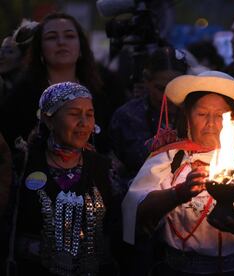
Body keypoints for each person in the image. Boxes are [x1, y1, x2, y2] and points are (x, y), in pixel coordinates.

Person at [122, 70, 234, 275]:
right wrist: (178, 193)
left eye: (220, 116)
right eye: (202, 114)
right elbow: (138, 212)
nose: (211, 123)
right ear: (188, 116)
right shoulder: (169, 160)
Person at [8, 82, 119, 275]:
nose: (84, 123)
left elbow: (115, 229)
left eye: (89, 115)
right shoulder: (22, 165)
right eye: (75, 114)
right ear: (48, 120)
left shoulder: (103, 168)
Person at [0, 12, 112, 154]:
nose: (61, 42)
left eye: (69, 36)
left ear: (81, 46)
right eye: (52, 37)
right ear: (40, 49)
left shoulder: (105, 89)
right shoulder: (20, 96)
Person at [109, 46, 188, 180]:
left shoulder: (196, 115)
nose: (167, 97)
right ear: (146, 80)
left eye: (175, 88)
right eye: (161, 88)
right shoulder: (127, 116)